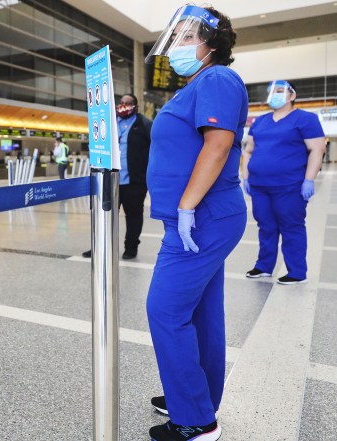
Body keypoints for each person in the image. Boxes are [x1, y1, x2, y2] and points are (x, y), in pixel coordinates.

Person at [143, 6, 247, 440]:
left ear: (211, 44)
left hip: (202, 217)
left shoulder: (218, 79)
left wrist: (186, 206)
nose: (179, 46)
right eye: (177, 37)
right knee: (202, 313)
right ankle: (194, 394)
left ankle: (196, 421)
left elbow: (218, 145)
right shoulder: (197, 84)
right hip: (198, 217)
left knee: (164, 310)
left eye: (188, 38)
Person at [241, 80, 325, 285]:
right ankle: (264, 266)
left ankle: (297, 271)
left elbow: (317, 149)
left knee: (291, 226)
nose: (274, 95)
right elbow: (249, 150)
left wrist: (308, 180)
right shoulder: (260, 121)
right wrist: (246, 176)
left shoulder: (306, 119)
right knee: (266, 226)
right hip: (260, 186)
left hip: (289, 186)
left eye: (279, 91)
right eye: (271, 92)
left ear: (292, 95)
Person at [82, 94, 152, 259]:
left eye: (128, 103)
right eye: (121, 103)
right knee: (103, 214)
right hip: (109, 179)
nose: (123, 106)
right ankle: (98, 247)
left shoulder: (144, 125)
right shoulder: (110, 123)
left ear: (135, 106)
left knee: (133, 215)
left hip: (134, 181)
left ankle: (131, 247)